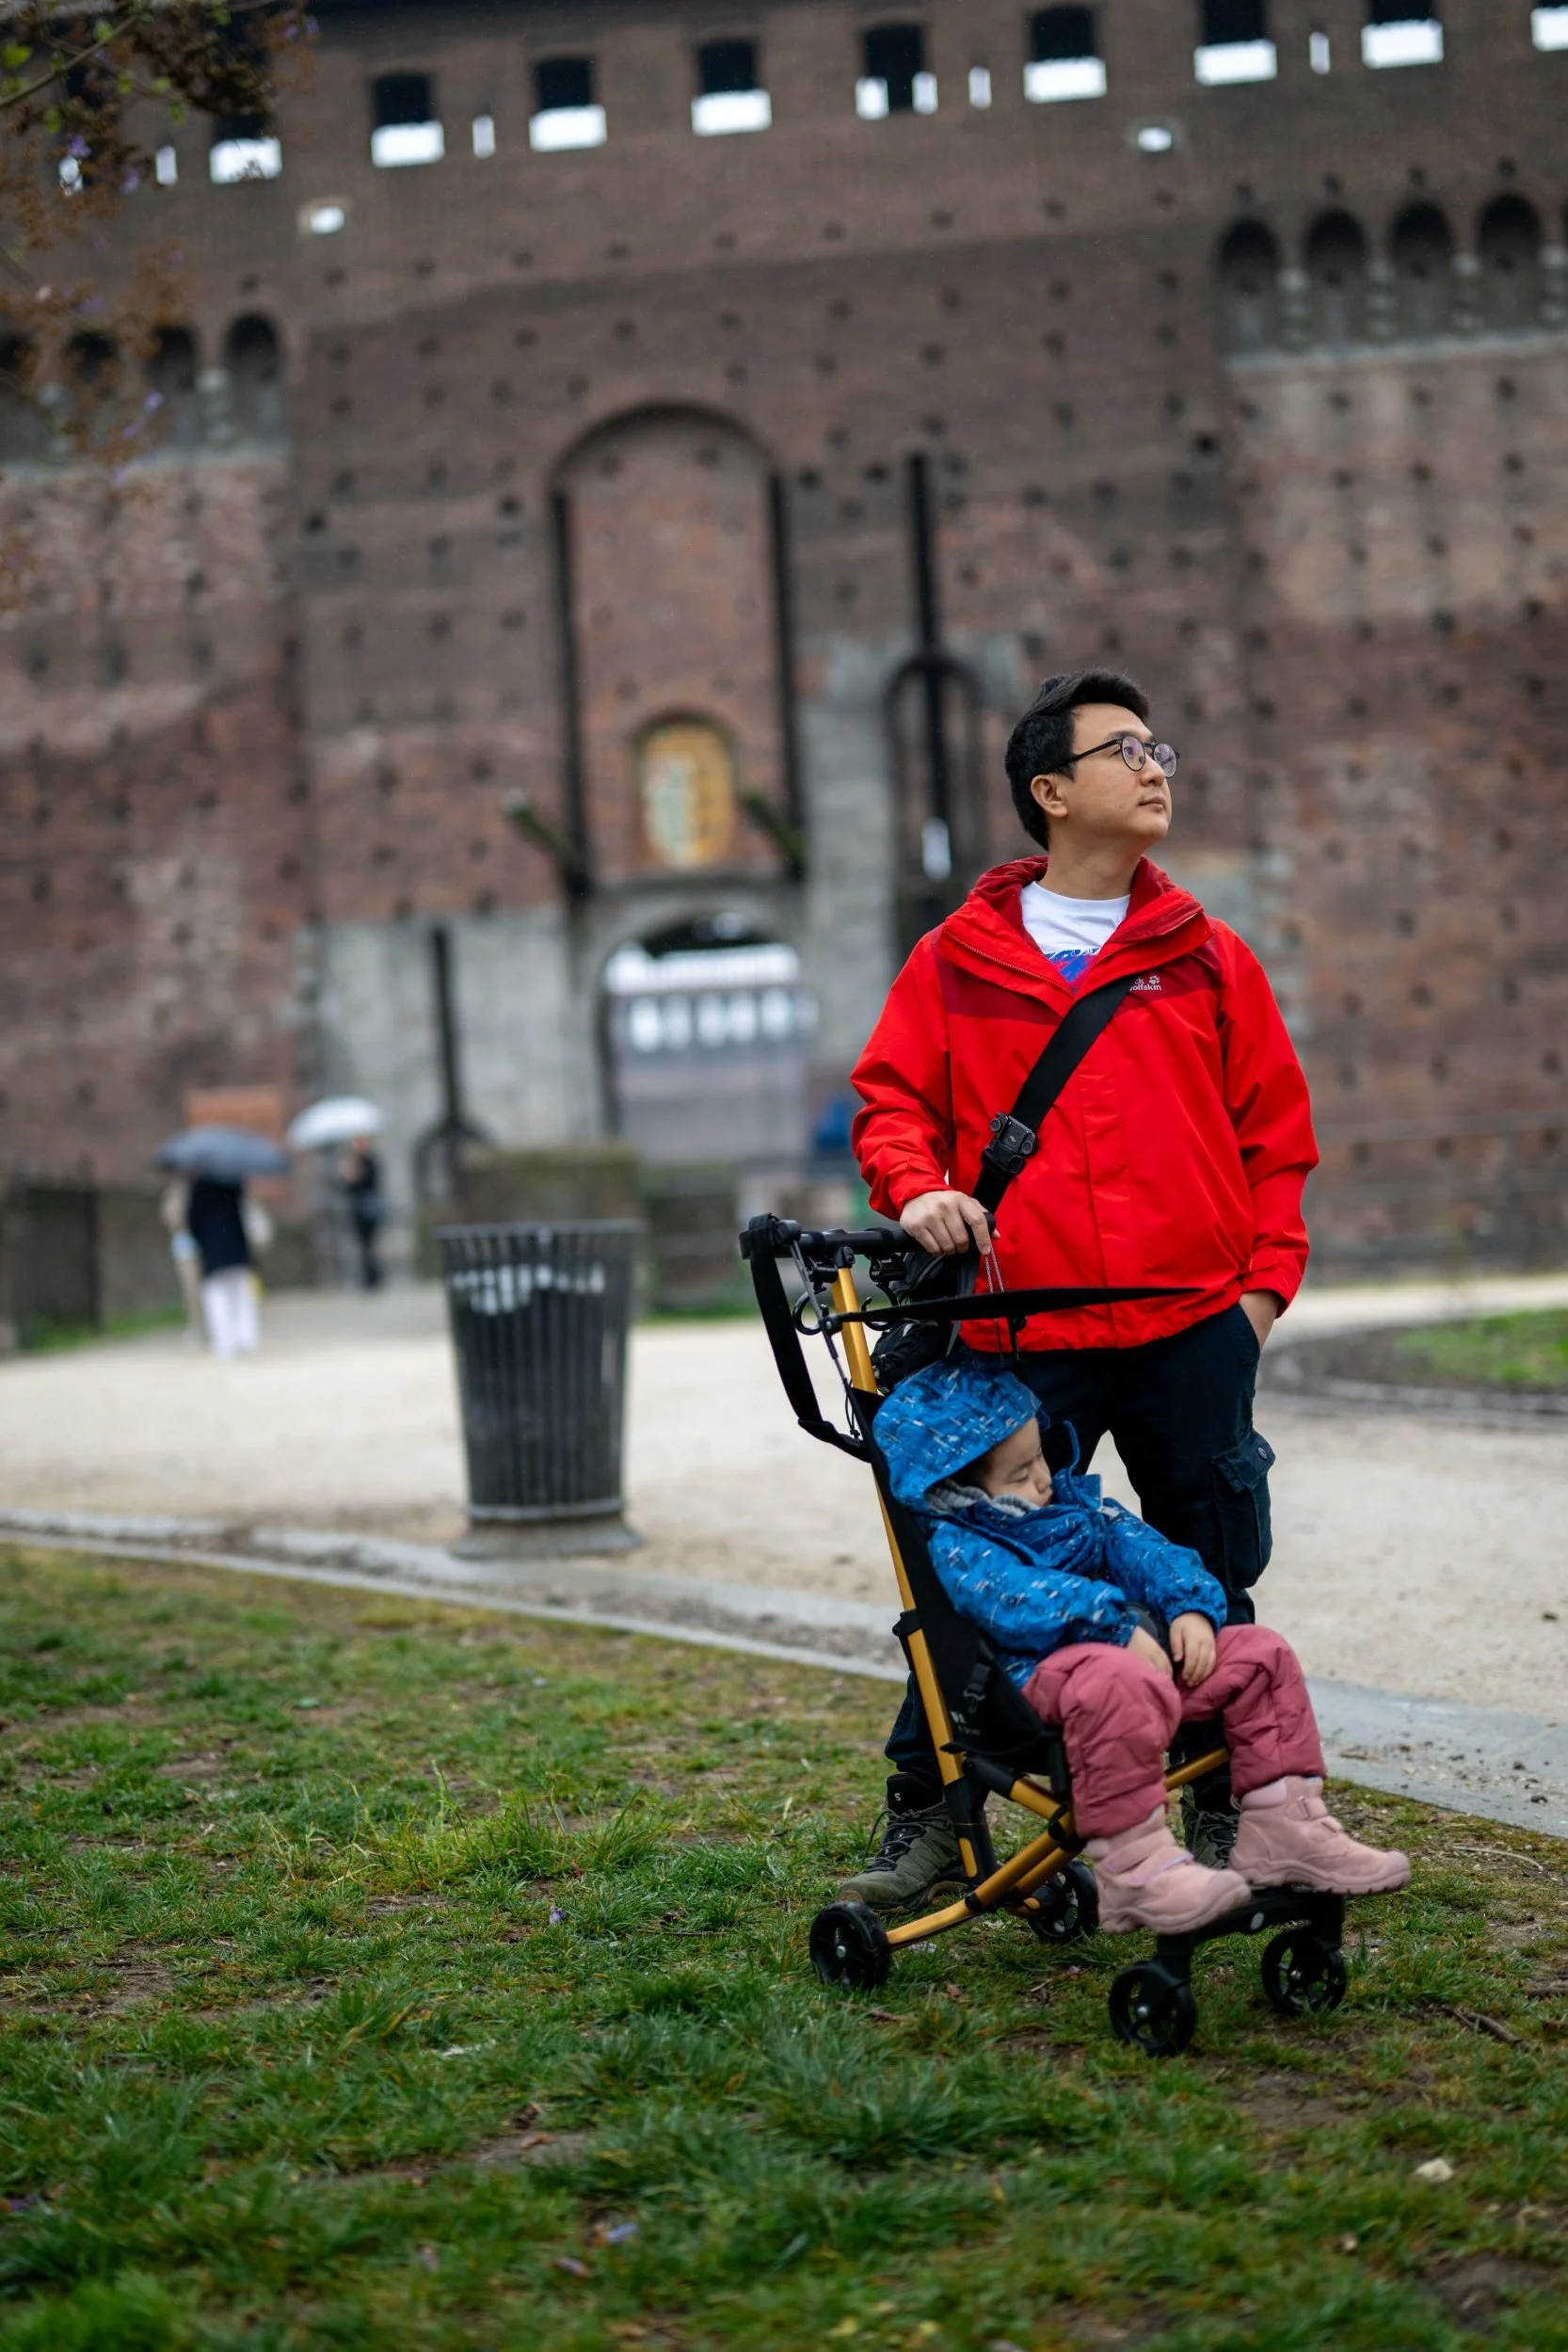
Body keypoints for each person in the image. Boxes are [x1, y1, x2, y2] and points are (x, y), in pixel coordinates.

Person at [840, 667, 1319, 1912]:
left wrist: (1256, 1298)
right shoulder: (955, 961)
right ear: (1049, 791)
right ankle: (932, 1811)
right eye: (1125, 750)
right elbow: (890, 1104)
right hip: (1016, 1337)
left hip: (1189, 1326)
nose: (1155, 766)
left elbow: (1274, 1136)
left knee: (1207, 1570)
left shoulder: (1206, 955)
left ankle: (1228, 1801)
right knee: (972, 1577)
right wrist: (915, 1188)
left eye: (1160, 748)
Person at [872, 1357, 1408, 1928]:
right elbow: (1014, 1598)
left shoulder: (1077, 1507)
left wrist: (1188, 1607)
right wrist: (1112, 1624)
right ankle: (1136, 1872)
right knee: (1115, 1676)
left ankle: (1285, 1830)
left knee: (1260, 1656)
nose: (1043, 1478)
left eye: (1041, 1457)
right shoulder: (962, 1546)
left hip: (1133, 1668)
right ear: (959, 1491)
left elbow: (1148, 1551)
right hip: (1032, 1688)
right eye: (1021, 1473)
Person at [185, 1175, 261, 1360]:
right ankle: (246, 1337)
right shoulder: (233, 1183)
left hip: (213, 1251)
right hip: (237, 1248)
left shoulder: (198, 1188)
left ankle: (224, 1341)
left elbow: (192, 1221)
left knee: (217, 1296)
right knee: (242, 1294)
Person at [338, 1137, 384, 1290]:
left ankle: (374, 1277)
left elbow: (372, 1182)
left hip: (369, 1209)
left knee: (370, 1245)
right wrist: (346, 1176)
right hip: (357, 1211)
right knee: (363, 1246)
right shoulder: (352, 1163)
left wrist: (356, 1175)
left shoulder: (370, 1163)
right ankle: (367, 1277)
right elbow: (346, 1189)